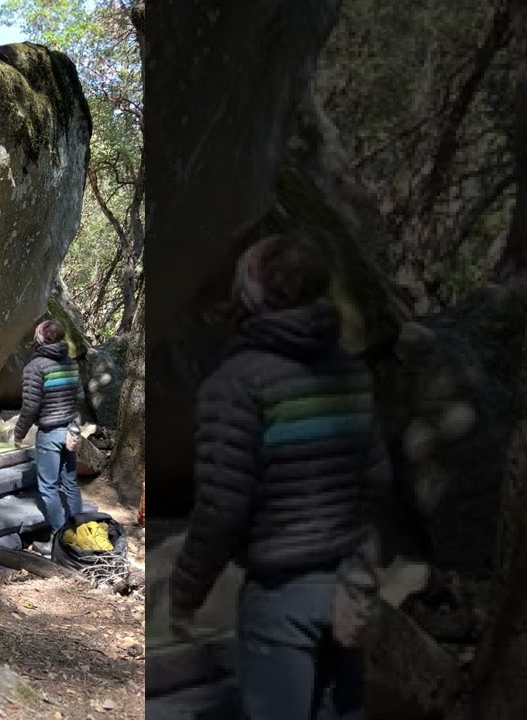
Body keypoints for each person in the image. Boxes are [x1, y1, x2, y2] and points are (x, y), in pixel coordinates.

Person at [167, 234, 392, 719]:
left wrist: (184, 595)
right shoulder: (352, 374)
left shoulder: (234, 386)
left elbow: (222, 508)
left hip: (281, 594)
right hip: (350, 585)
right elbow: (378, 482)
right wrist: (363, 572)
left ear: (249, 294)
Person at [11, 320, 85, 555]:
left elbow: (31, 407)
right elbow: (80, 397)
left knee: (49, 488)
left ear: (40, 339)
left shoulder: (35, 367)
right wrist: (74, 428)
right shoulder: (71, 363)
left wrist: (18, 433)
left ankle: (59, 540)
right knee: (70, 483)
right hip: (70, 431)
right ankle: (79, 536)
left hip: (51, 434)